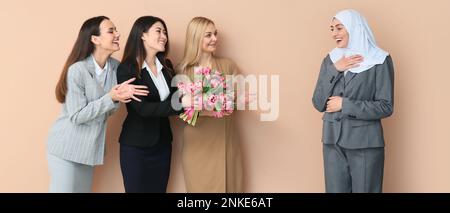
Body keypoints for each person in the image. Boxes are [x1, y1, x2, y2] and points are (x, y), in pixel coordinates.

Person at [47, 16, 148, 193]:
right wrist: (111, 97)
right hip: (66, 148)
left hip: (89, 150)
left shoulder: (117, 68)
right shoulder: (77, 70)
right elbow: (77, 116)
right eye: (111, 31)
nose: (117, 34)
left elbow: (111, 109)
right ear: (95, 39)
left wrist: (116, 98)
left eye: (116, 30)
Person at [312, 9, 394, 193]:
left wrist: (345, 104)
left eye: (339, 28)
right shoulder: (331, 60)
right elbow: (318, 103)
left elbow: (386, 106)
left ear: (353, 28)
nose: (334, 34)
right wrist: (335, 69)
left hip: (365, 144)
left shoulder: (379, 60)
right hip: (332, 141)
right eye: (332, 29)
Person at [177, 17, 244, 192]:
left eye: (215, 34)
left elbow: (237, 99)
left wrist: (236, 101)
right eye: (208, 35)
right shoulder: (182, 70)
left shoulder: (228, 65)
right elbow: (179, 108)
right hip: (197, 146)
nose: (214, 38)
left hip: (226, 142)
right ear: (195, 38)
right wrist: (214, 105)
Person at [117, 16, 181, 193]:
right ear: (142, 35)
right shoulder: (128, 68)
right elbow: (142, 109)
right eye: (158, 31)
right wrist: (180, 104)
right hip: (136, 148)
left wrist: (186, 101)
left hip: (163, 145)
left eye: (165, 32)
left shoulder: (167, 66)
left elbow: (176, 98)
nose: (164, 36)